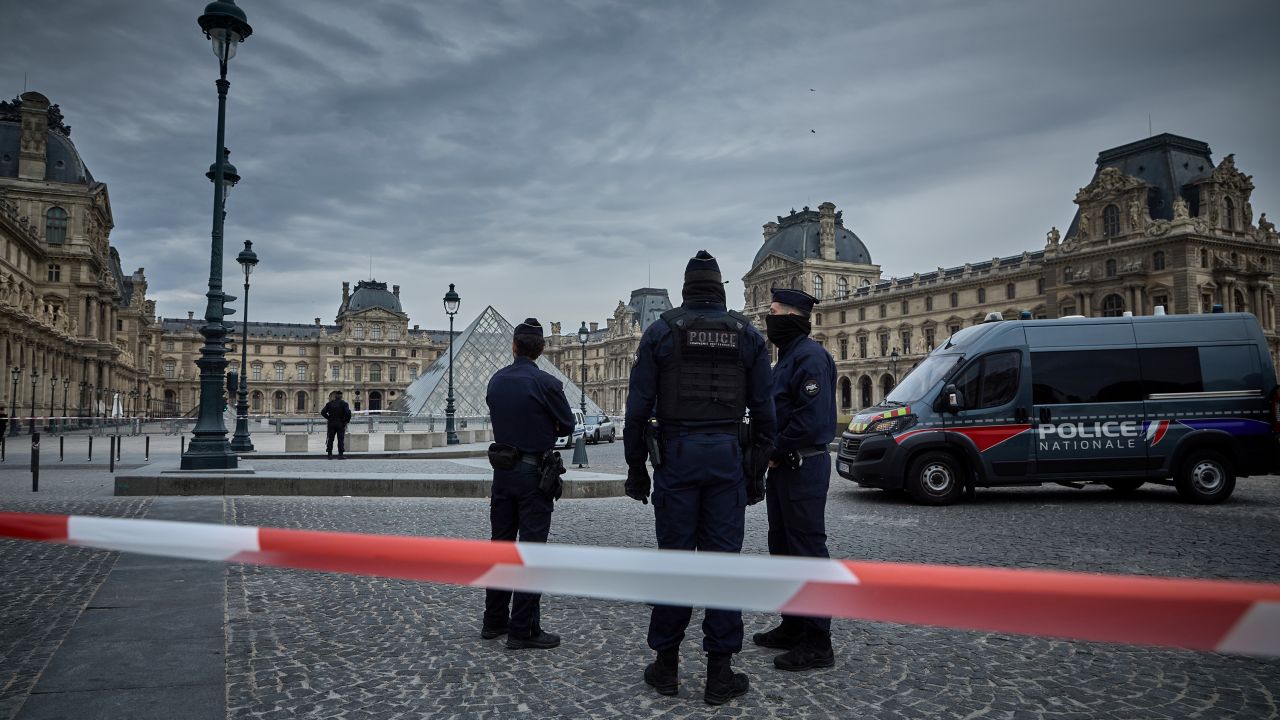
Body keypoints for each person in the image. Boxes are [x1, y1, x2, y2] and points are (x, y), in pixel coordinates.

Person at [624, 250, 776, 706]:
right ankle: (719, 673)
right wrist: (755, 473)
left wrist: (636, 470)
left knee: (674, 562)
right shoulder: (747, 335)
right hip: (727, 456)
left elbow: (636, 413)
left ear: (686, 289)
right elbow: (766, 414)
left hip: (677, 457)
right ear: (721, 289)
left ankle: (666, 667)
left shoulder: (661, 331)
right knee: (722, 566)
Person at [752, 287, 838, 670]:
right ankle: (793, 624)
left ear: (792, 317)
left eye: (772, 312)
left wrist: (775, 447)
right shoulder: (787, 358)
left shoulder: (811, 358)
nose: (768, 319)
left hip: (802, 465)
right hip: (786, 467)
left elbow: (812, 420)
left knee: (807, 551)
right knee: (782, 547)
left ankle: (818, 642)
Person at [483, 318, 575, 650]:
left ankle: (494, 620)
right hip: (534, 474)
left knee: (501, 548)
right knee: (530, 552)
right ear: (542, 349)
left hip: (502, 473)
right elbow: (566, 425)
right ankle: (523, 629)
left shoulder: (496, 380)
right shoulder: (546, 382)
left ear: (513, 346)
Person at [320, 391, 352, 459]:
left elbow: (323, 412)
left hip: (331, 423)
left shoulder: (329, 403)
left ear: (335, 396)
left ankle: (329, 454)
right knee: (340, 439)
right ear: (341, 396)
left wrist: (328, 418)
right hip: (340, 423)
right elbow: (348, 413)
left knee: (330, 439)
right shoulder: (344, 404)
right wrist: (346, 421)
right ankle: (340, 454)